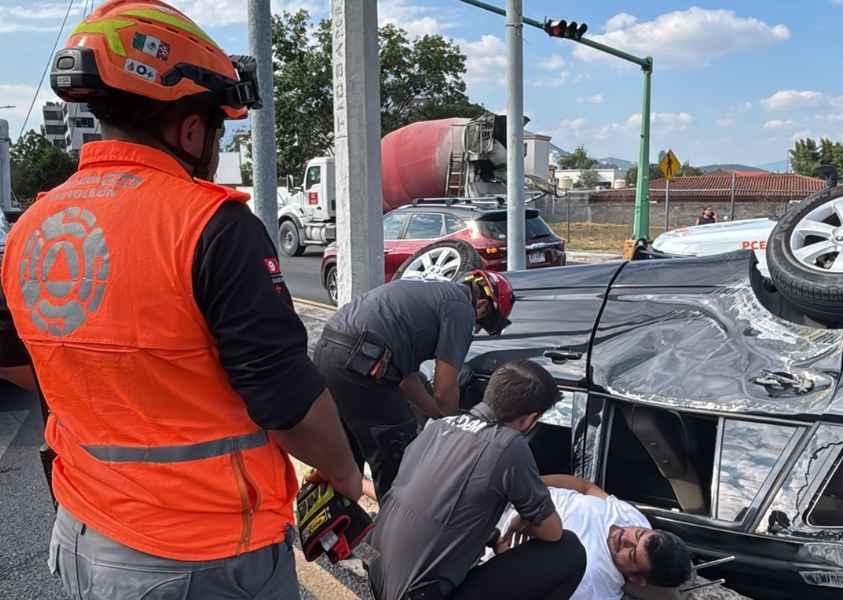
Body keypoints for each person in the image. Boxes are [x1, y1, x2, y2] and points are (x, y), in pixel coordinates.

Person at [0, 2, 362, 598]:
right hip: (201, 559)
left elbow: (21, 360)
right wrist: (345, 473)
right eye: (218, 129)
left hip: (82, 535)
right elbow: (288, 401)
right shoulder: (211, 226)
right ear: (190, 129)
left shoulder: (32, 226)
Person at [368, 360, 587, 600]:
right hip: (419, 595)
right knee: (569, 551)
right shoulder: (508, 445)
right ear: (528, 420)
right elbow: (553, 532)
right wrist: (526, 519)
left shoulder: (438, 427)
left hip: (377, 573)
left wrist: (492, 537)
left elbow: (445, 505)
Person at [314, 270, 514, 500]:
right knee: (400, 457)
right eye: (481, 325)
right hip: (361, 362)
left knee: (346, 456)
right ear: (483, 306)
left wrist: (435, 413)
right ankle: (396, 528)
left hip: (332, 351)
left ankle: (334, 525)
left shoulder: (430, 292)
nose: (476, 330)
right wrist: (456, 427)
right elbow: (445, 387)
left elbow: (405, 380)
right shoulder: (462, 309)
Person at [493, 475, 693, 600]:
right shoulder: (635, 518)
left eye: (631, 553)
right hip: (503, 489)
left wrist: (501, 555)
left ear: (636, 578)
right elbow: (584, 487)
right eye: (639, 534)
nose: (625, 538)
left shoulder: (596, 590)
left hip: (485, 535)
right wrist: (527, 483)